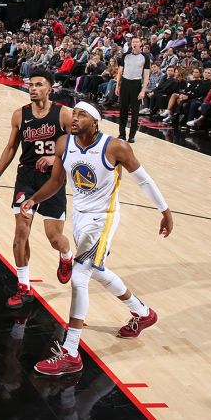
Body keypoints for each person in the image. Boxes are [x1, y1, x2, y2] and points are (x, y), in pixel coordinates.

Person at [22, 102, 173, 376]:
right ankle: (142, 313)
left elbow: (144, 181)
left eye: (81, 115)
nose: (74, 118)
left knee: (80, 276)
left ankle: (70, 352)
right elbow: (57, 181)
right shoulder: (64, 143)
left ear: (95, 122)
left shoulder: (116, 147)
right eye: (74, 114)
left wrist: (165, 211)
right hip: (79, 216)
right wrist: (34, 199)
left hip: (103, 218)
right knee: (96, 270)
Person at [0, 70, 73, 308]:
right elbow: (10, 148)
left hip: (53, 179)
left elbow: (79, 148)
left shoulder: (63, 114)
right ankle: (23, 286)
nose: (33, 88)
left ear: (50, 89)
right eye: (31, 85)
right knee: (20, 232)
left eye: (38, 85)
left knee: (55, 238)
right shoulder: (20, 115)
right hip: (26, 176)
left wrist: (54, 160)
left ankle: (66, 256)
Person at [116, 37, 149, 142]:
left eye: (136, 42)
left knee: (135, 112)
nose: (134, 43)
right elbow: (120, 72)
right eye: (133, 42)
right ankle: (122, 134)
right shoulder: (126, 55)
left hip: (136, 84)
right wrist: (117, 85)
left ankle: (132, 136)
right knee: (123, 110)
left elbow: (146, 75)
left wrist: (143, 90)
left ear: (140, 44)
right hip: (125, 83)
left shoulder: (145, 57)